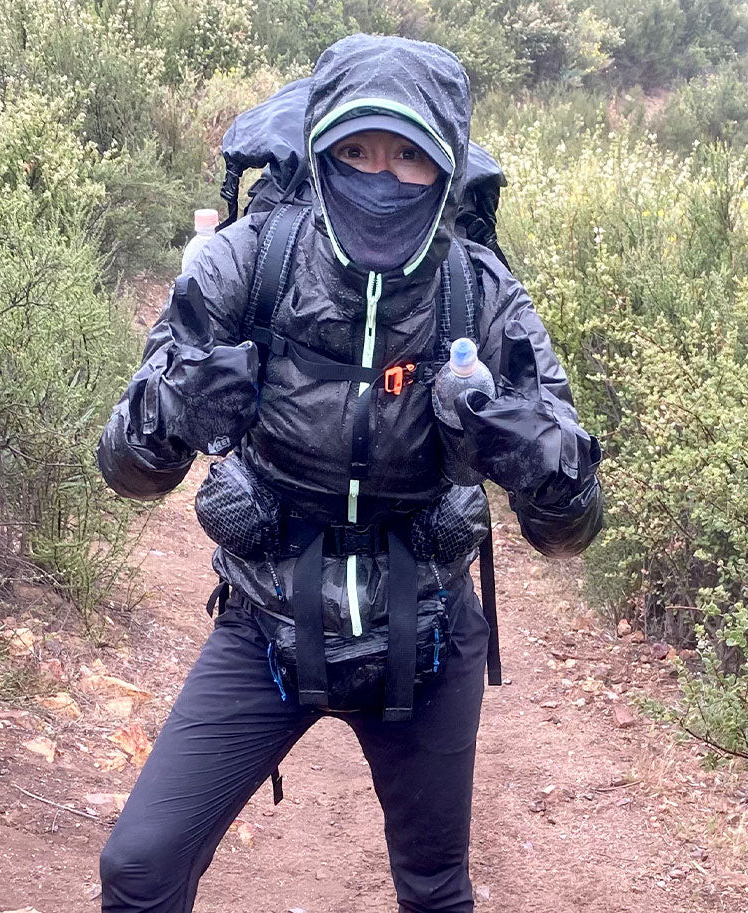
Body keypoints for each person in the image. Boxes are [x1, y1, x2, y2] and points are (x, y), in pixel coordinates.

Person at [94, 33, 603, 913]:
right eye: (357, 149)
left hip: (431, 635)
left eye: (409, 155)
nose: (382, 174)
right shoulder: (246, 263)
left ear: (445, 166)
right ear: (321, 146)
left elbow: (570, 530)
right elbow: (127, 469)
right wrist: (182, 401)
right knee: (139, 870)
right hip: (266, 624)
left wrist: (536, 457)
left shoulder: (477, 295)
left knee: (435, 891)